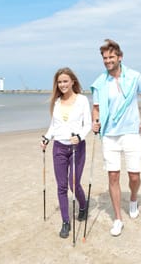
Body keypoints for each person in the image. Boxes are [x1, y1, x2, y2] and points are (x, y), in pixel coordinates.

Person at [91, 39, 141, 236]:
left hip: (132, 133)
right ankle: (118, 219)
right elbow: (96, 108)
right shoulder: (100, 82)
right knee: (113, 175)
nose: (107, 61)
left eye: (111, 57)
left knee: (134, 176)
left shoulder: (135, 76)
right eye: (105, 58)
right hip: (109, 135)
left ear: (120, 57)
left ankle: (133, 198)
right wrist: (95, 121)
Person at [40, 67, 92, 239]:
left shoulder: (82, 100)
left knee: (73, 183)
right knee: (61, 187)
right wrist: (46, 138)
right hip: (59, 148)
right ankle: (65, 222)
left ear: (72, 82)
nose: (62, 84)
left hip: (77, 147)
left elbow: (88, 125)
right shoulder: (56, 102)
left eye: (65, 81)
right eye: (59, 82)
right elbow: (54, 126)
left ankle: (83, 206)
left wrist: (79, 136)